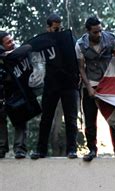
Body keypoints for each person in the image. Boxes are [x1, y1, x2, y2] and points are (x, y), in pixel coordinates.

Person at [76, 16, 115, 161]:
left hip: (109, 84)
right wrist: (89, 88)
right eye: (95, 32)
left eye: (100, 31)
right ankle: (92, 150)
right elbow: (81, 68)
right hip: (91, 85)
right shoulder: (80, 45)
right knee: (90, 120)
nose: (98, 34)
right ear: (88, 31)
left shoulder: (110, 39)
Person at [30, 13, 79, 160]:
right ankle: (41, 150)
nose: (58, 31)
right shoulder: (42, 42)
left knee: (71, 118)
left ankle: (72, 150)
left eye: (60, 28)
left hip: (69, 84)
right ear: (49, 28)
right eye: (55, 29)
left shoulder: (69, 39)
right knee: (46, 118)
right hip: (51, 84)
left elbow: (78, 58)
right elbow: (35, 61)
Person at [0, 31, 28, 159]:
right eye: (8, 42)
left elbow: (26, 49)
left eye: (12, 40)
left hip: (16, 91)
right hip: (1, 93)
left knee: (20, 119)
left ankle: (20, 149)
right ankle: (1, 148)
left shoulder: (17, 53)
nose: (12, 43)